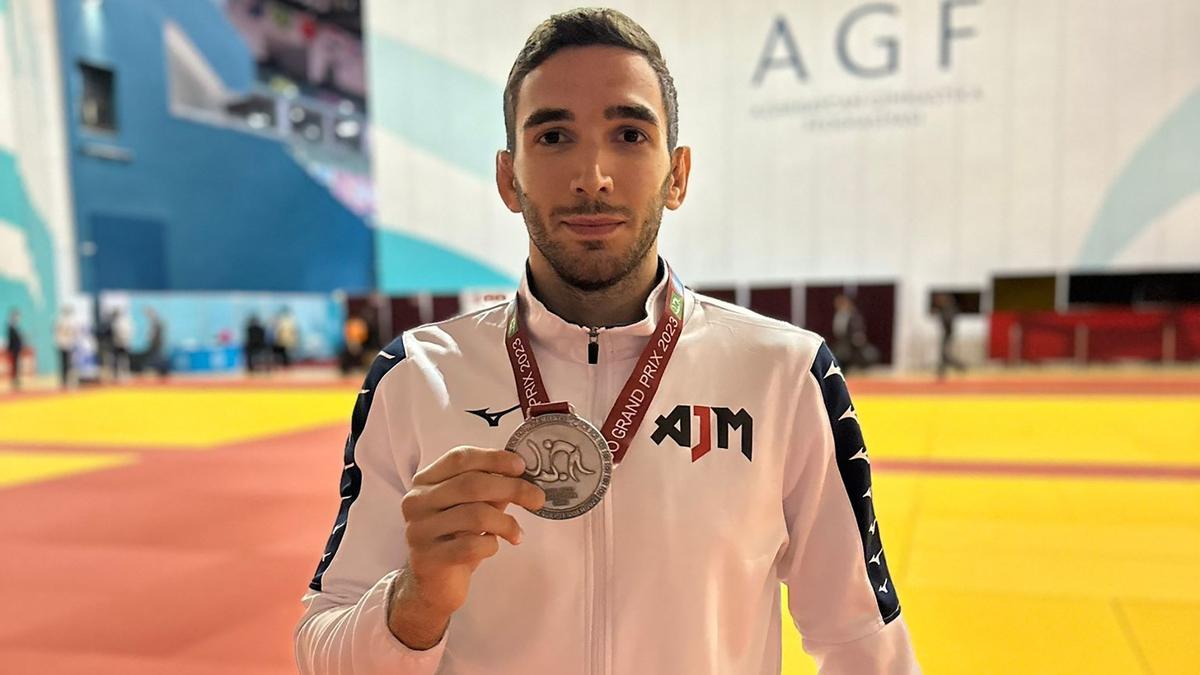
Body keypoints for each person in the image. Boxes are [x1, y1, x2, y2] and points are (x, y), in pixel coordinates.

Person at [295, 9, 918, 674]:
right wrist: (413, 605)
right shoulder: (414, 379)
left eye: (628, 134)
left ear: (677, 174)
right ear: (510, 178)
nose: (593, 174)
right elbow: (319, 650)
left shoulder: (787, 376)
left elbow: (863, 643)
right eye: (555, 135)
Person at [831, 293, 876, 373]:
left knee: (848, 360)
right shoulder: (838, 315)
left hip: (851, 343)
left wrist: (857, 339)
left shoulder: (854, 315)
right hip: (841, 342)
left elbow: (858, 329)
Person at [933, 293, 966, 379]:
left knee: (944, 354)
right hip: (946, 333)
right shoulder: (944, 309)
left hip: (948, 333)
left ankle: (959, 366)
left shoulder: (948, 309)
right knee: (943, 354)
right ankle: (942, 371)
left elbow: (948, 320)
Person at [55, 305, 78, 389]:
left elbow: (72, 332)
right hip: (64, 344)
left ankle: (66, 380)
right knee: (66, 364)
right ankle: (65, 380)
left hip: (65, 344)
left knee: (66, 364)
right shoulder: (63, 321)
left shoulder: (64, 321)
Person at [5, 308, 23, 391]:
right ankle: (14, 380)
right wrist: (10, 349)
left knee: (17, 365)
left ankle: (16, 379)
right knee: (14, 365)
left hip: (17, 349)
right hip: (13, 350)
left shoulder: (15, 326)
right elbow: (11, 340)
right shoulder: (10, 327)